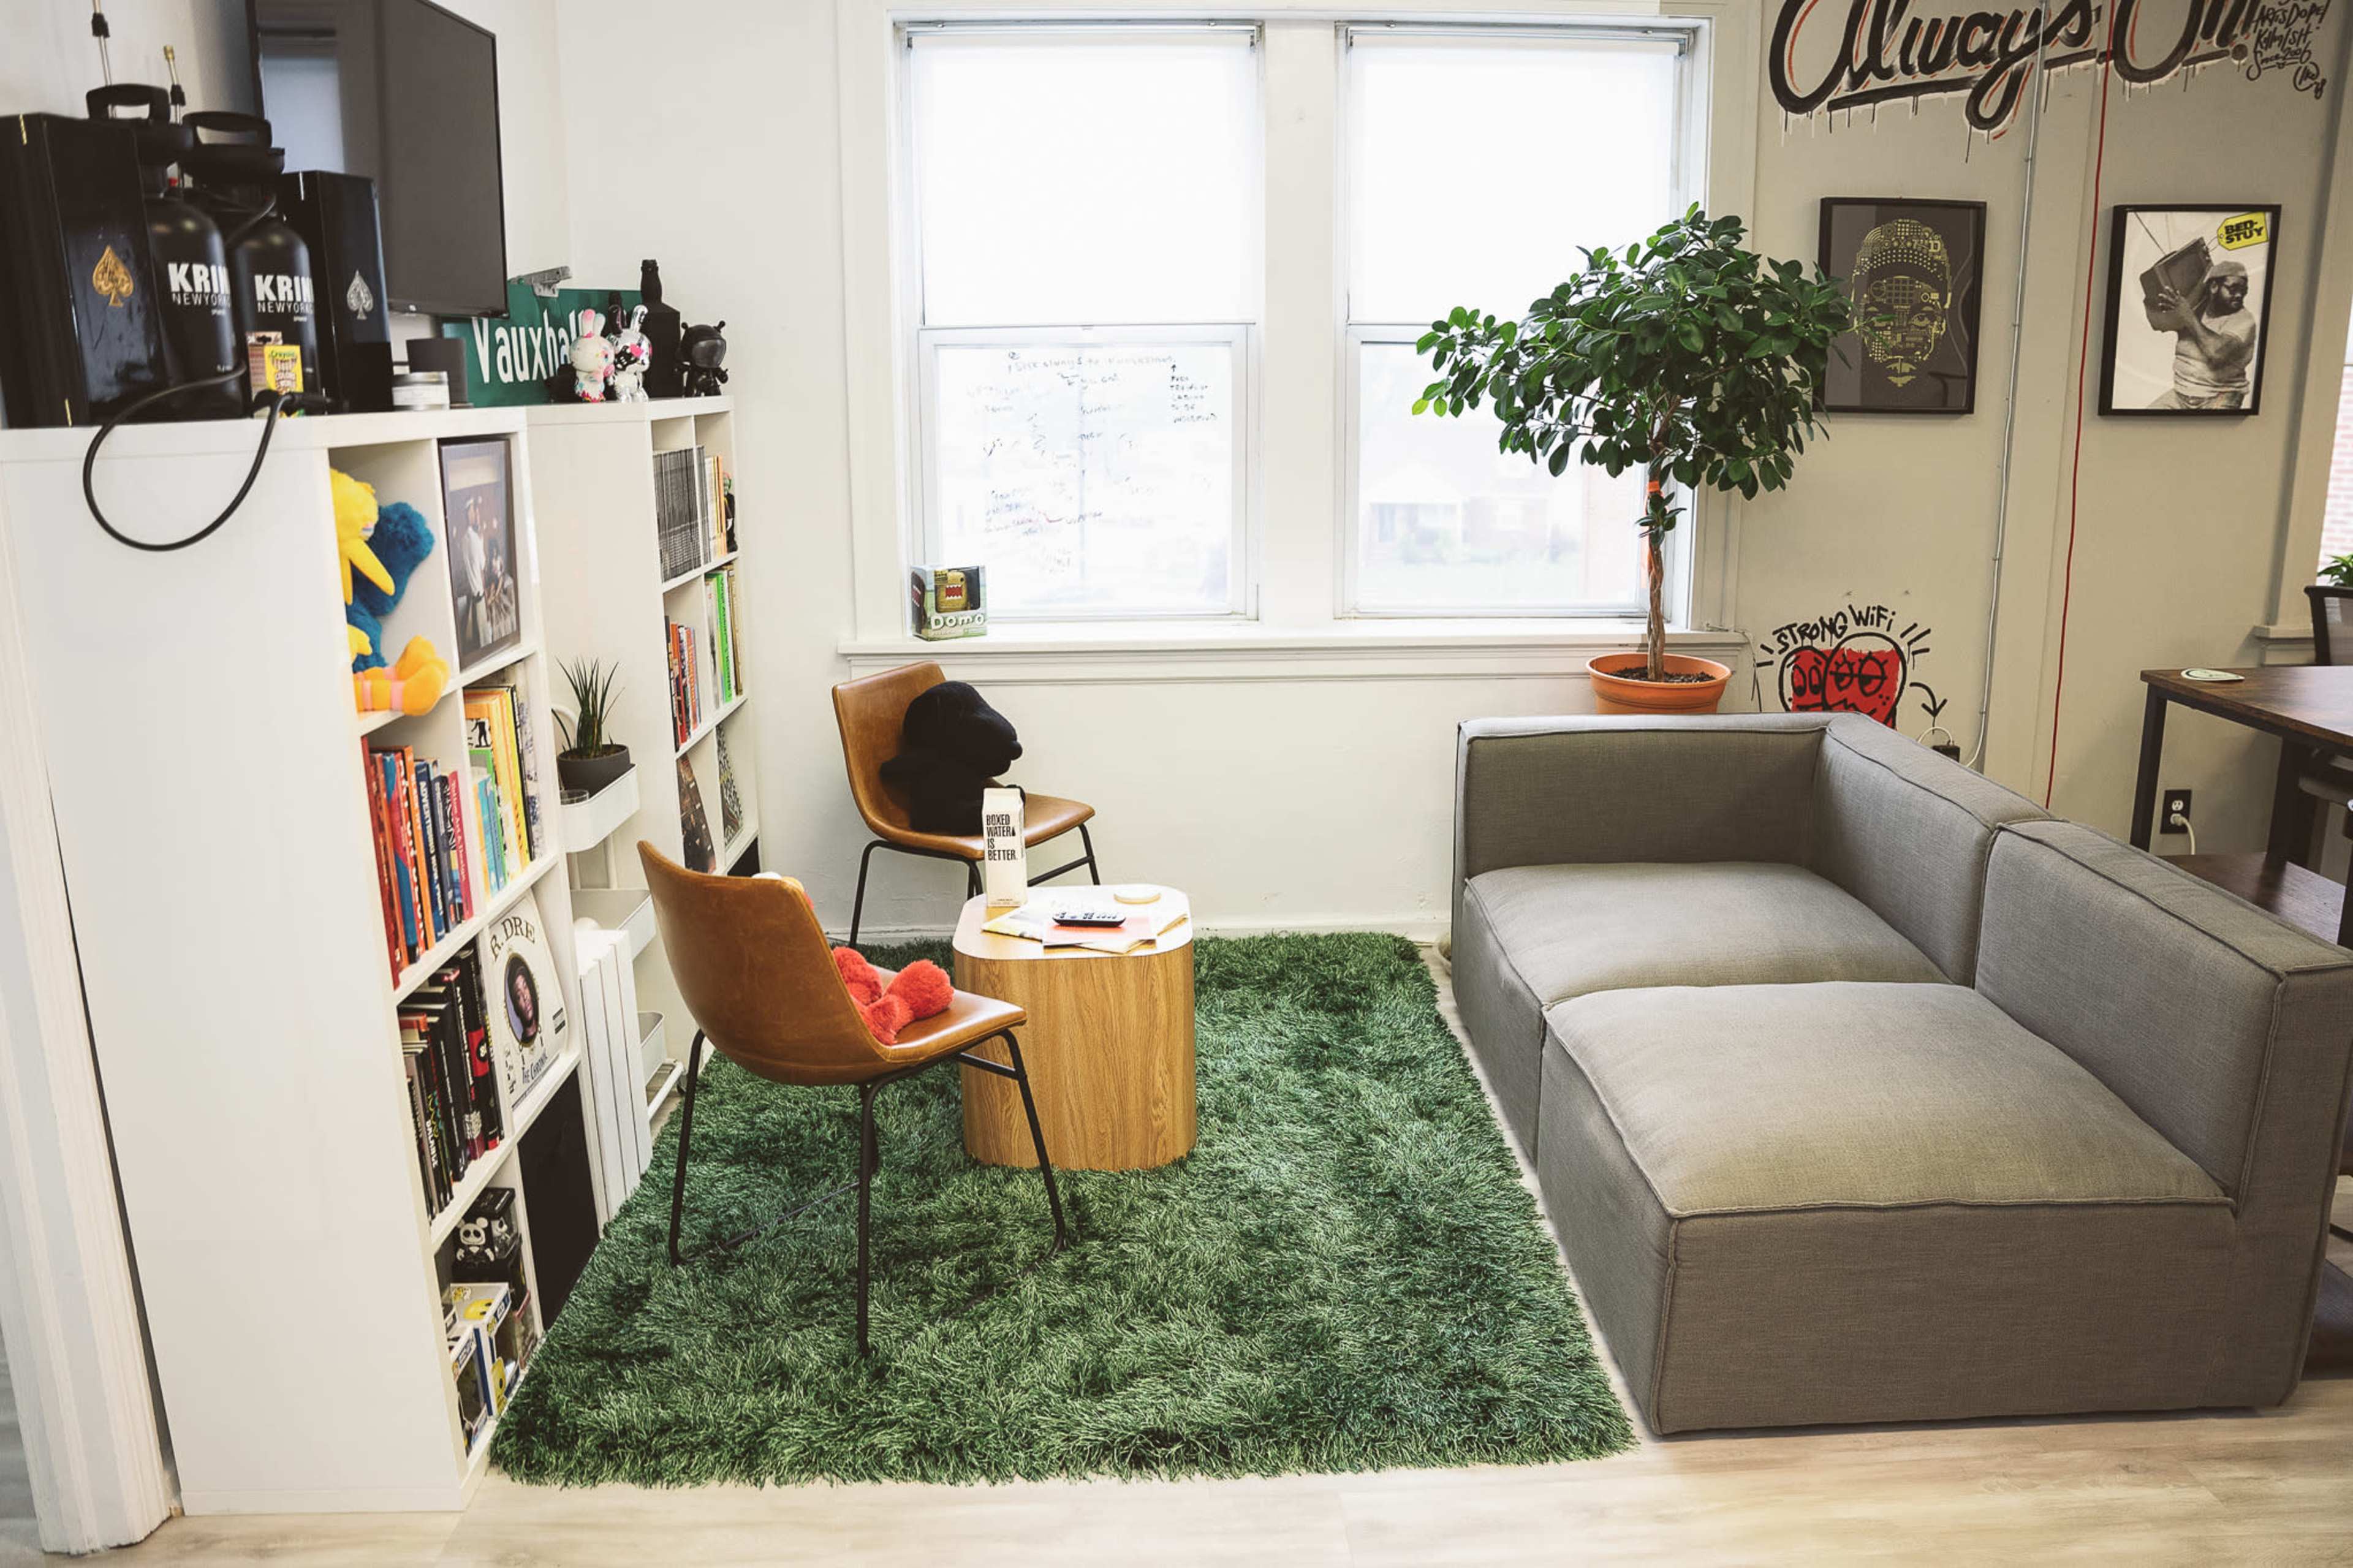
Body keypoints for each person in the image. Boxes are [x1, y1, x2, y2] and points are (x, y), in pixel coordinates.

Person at [2146, 259, 2257, 409]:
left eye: (2243, 291)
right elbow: (2158, 325)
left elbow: (2217, 354)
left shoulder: (2244, 320)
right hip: (2181, 394)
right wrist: (2153, 297)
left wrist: (2189, 317)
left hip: (2222, 396)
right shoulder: (2195, 308)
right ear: (2213, 287)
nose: (2239, 295)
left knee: (2209, 432)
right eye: (2233, 289)